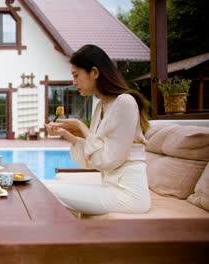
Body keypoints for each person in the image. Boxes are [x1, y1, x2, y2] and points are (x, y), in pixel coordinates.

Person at [44, 44, 151, 216]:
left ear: (94, 72)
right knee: (46, 187)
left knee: (45, 189)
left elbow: (108, 160)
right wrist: (67, 135)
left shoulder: (125, 102)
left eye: (76, 75)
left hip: (129, 196)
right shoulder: (102, 106)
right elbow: (92, 161)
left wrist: (81, 127)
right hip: (111, 188)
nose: (74, 82)